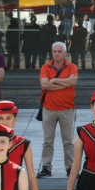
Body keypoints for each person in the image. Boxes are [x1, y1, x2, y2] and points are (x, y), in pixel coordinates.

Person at [0, 101, 46, 190]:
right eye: (0, 118)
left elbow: (31, 176)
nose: (4, 122)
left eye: (8, 118)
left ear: (15, 119)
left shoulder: (23, 143)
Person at [37, 42, 78, 178]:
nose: (57, 54)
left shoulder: (72, 67)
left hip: (67, 109)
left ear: (65, 53)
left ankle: (70, 168)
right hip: (48, 109)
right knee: (48, 140)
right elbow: (44, 85)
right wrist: (64, 82)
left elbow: (73, 82)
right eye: (54, 51)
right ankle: (46, 168)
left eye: (59, 51)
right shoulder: (45, 67)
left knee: (68, 141)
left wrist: (53, 80)